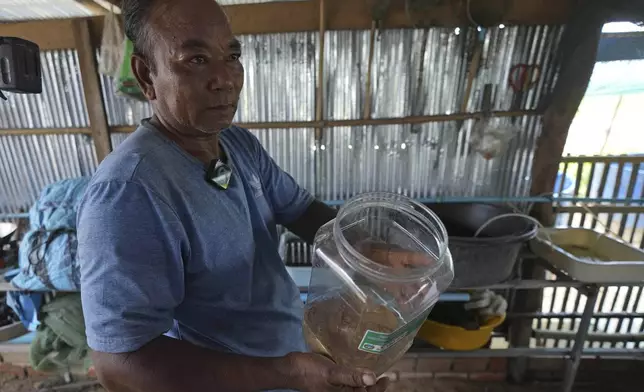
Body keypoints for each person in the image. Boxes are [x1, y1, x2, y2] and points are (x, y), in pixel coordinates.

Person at [76, 0, 391, 391]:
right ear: (145, 75)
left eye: (232, 55)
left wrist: (374, 255)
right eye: (195, 59)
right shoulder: (129, 193)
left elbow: (303, 211)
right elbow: (120, 366)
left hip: (292, 362)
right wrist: (290, 372)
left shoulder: (236, 144)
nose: (225, 78)